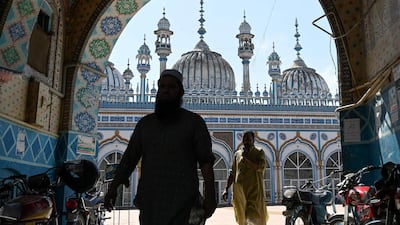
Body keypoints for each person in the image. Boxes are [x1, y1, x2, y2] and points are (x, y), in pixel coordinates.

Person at [104, 69, 217, 225]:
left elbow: (206, 161)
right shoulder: (146, 124)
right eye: (162, 87)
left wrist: (211, 196)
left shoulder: (193, 123)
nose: (166, 91)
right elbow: (129, 158)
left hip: (183, 202)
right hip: (151, 201)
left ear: (181, 91)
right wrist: (113, 187)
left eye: (171, 87)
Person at [222, 131, 268, 225]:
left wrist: (247, 160)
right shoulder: (238, 154)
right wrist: (226, 189)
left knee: (253, 218)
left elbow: (261, 167)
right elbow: (233, 173)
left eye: (249, 140)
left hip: (254, 192)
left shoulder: (259, 152)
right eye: (245, 140)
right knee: (241, 218)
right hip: (239, 193)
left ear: (253, 141)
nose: (246, 142)